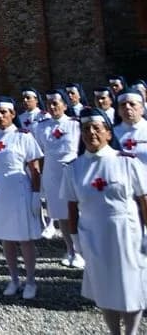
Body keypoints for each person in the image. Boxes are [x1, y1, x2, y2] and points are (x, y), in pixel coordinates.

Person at [61, 107, 147, 335]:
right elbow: (71, 206)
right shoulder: (74, 168)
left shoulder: (127, 162)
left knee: (131, 287)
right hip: (93, 234)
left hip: (126, 233)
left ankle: (131, 331)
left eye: (96, 128)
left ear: (109, 133)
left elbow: (143, 199)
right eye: (86, 129)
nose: (91, 133)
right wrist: (75, 238)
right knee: (104, 287)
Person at [0, 95, 43, 299]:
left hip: (20, 191)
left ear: (13, 114)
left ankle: (31, 280)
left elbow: (35, 168)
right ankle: (14, 278)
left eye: (4, 112)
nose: (0, 116)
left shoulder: (24, 137)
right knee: (6, 238)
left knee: (24, 239)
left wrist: (35, 195)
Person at [31, 89, 83, 267]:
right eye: (49, 104)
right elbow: (38, 153)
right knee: (61, 214)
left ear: (64, 105)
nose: (52, 107)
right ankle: (70, 249)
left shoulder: (75, 124)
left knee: (77, 212)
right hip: (52, 173)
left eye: (56, 103)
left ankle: (81, 250)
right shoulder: (42, 127)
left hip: (72, 171)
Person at [113, 87, 147, 167]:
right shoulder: (111, 134)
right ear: (118, 111)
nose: (127, 107)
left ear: (142, 109)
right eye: (123, 104)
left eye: (132, 104)